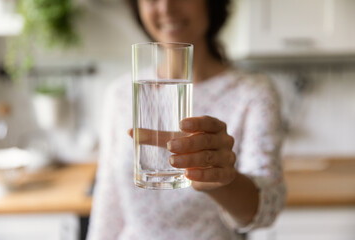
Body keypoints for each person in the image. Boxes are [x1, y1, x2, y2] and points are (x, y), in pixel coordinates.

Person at [87, 0, 286, 239]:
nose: (166, 7)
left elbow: (266, 209)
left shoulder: (252, 92)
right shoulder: (120, 93)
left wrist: (222, 180)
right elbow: (107, 206)